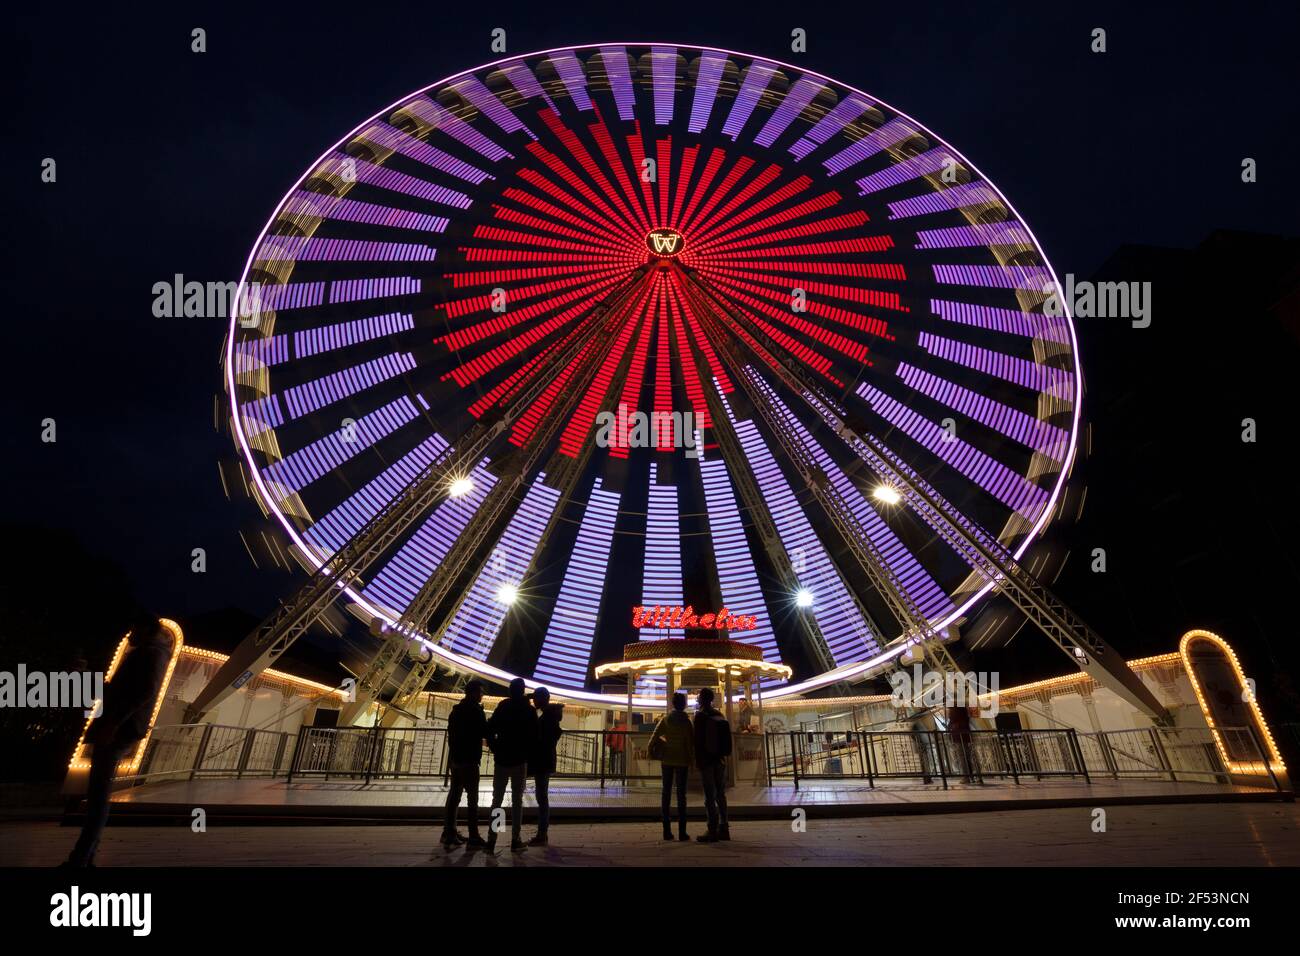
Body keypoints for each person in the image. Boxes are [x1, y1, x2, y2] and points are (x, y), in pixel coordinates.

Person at [63, 613, 171, 867]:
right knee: (98, 791)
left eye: (134, 629)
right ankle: (84, 855)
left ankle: (82, 856)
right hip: (119, 726)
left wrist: (114, 723)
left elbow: (144, 692)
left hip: (118, 728)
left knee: (99, 793)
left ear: (145, 630)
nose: (131, 634)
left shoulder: (151, 654)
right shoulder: (150, 653)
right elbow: (120, 689)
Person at [486, 677, 537, 852]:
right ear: (523, 691)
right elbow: (533, 735)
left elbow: (490, 729)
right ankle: (515, 839)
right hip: (519, 760)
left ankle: (493, 839)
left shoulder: (503, 706)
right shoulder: (529, 710)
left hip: (502, 760)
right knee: (517, 801)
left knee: (497, 800)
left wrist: (495, 748)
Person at [441, 680, 488, 850]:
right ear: (474, 693)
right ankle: (473, 835)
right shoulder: (476, 711)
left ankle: (449, 832)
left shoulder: (456, 711)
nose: (482, 695)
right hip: (470, 760)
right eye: (481, 692)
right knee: (472, 800)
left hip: (456, 760)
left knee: (454, 796)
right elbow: (484, 731)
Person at [649, 692, 694, 841]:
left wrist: (652, 754)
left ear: (673, 703)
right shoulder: (687, 722)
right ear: (684, 704)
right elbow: (689, 744)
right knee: (682, 795)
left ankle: (666, 831)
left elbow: (653, 739)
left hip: (667, 760)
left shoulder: (666, 719)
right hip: (682, 761)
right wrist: (692, 761)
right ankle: (682, 832)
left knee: (666, 793)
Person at [693, 687, 732, 842]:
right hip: (720, 760)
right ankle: (724, 827)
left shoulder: (700, 716)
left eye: (699, 697)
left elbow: (697, 741)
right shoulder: (719, 715)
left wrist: (697, 761)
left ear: (701, 699)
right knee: (721, 794)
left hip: (707, 761)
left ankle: (712, 829)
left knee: (709, 796)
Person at [527, 686, 563, 847]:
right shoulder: (550, 716)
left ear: (542, 699)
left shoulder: (547, 718)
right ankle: (542, 832)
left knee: (541, 796)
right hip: (545, 760)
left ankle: (542, 833)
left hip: (542, 760)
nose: (533, 700)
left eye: (535, 697)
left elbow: (542, 739)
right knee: (542, 796)